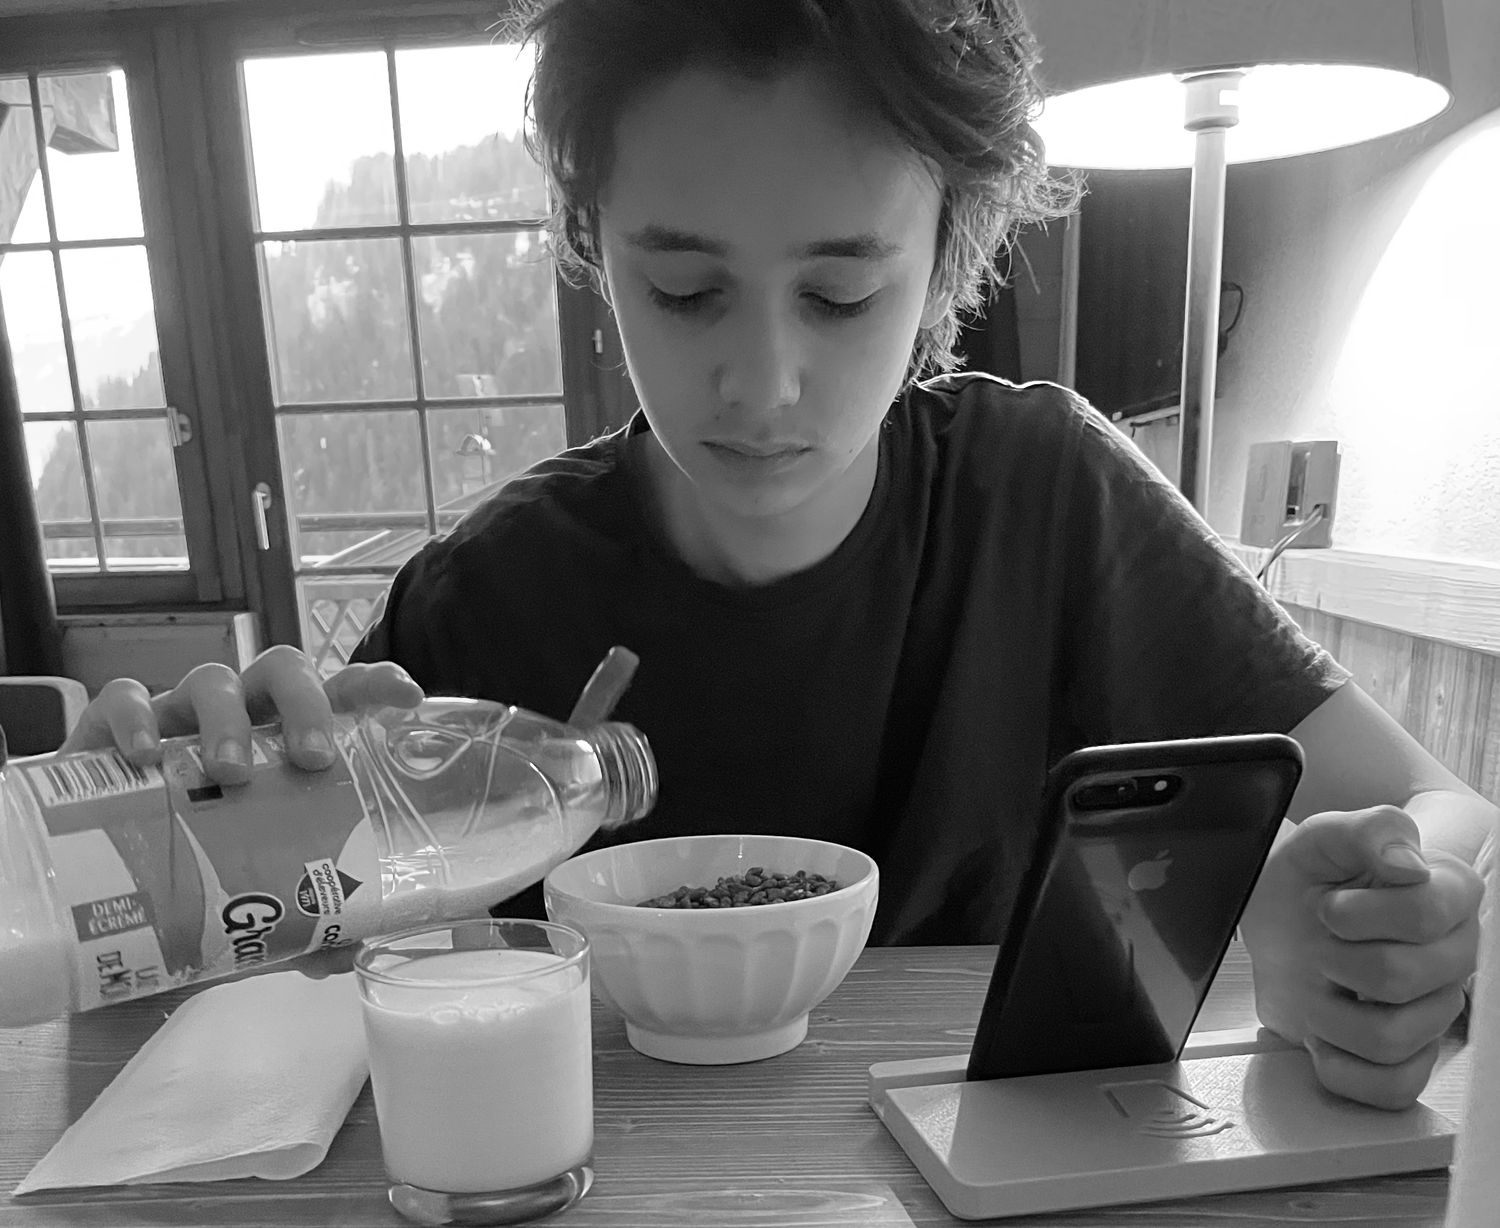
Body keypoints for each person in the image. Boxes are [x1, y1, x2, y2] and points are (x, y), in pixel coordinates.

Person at [63, 0, 1495, 1112]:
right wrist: (166, 909)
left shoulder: (1044, 499)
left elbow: (1438, 815)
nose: (763, 383)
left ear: (945, 261)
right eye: (683, 290)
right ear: (586, 238)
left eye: (839, 290)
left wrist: (1369, 913)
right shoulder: (488, 600)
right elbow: (315, 1001)